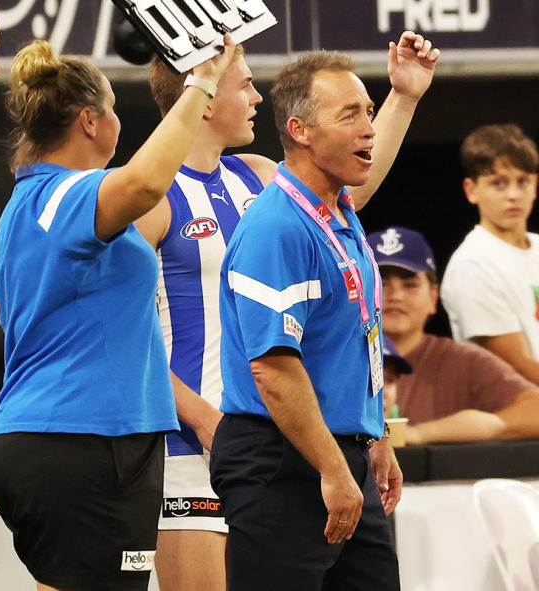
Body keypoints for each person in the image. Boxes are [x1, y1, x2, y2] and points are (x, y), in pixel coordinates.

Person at [135, 32, 439, 591]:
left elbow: (349, 183)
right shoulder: (148, 194)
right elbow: (125, 335)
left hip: (295, 429)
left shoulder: (256, 175)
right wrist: (207, 422)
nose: (257, 97)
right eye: (246, 84)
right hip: (197, 438)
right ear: (199, 93)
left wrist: (403, 97)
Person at [0, 36, 237, 591]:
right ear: (89, 122)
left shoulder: (31, 203)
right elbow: (147, 181)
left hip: (67, 439)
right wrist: (202, 83)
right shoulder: (68, 194)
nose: (121, 123)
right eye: (116, 111)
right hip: (83, 438)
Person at [369, 226, 539, 444]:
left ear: (433, 297)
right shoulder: (332, 359)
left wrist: (419, 434)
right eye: (380, 284)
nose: (395, 296)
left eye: (410, 285)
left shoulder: (464, 362)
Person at [440, 124, 539, 384]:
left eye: (523, 181)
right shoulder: (472, 264)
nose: (514, 195)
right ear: (471, 190)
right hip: (508, 416)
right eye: (499, 183)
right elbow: (515, 366)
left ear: (535, 186)